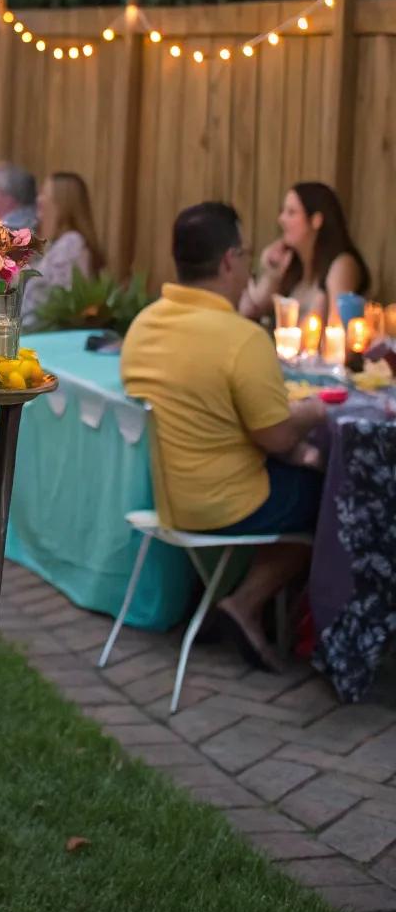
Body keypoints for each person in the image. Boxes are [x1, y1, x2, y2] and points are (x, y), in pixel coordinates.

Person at [122, 200, 327, 673]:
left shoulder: (145, 325)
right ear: (229, 260)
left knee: (300, 467)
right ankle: (246, 603)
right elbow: (274, 437)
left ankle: (227, 603)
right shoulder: (241, 339)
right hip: (228, 504)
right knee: (330, 497)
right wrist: (311, 413)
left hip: (169, 501)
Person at [241, 181, 370, 323]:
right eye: (282, 212)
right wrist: (272, 275)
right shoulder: (291, 264)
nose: (281, 219)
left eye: (291, 212)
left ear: (316, 220)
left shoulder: (342, 264)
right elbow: (250, 310)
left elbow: (338, 330)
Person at [23, 171, 103, 330]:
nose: (39, 200)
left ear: (61, 202)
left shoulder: (71, 244)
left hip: (45, 336)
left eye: (44, 194)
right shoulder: (60, 243)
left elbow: (59, 301)